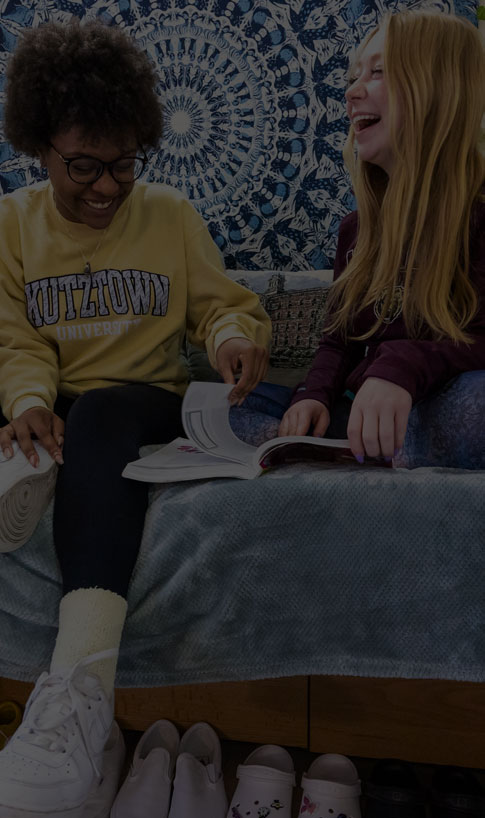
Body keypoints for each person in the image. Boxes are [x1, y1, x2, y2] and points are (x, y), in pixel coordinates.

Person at [0, 19, 271, 818]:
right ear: (37, 146)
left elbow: (224, 308)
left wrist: (231, 342)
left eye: (122, 164)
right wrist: (26, 405)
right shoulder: (12, 226)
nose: (108, 187)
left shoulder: (170, 214)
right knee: (55, 423)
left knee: (105, 416)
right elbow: (15, 338)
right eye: (82, 166)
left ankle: (81, 689)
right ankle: (29, 466)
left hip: (141, 405)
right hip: (60, 406)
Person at [274, 11, 485, 466]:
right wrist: (313, 395)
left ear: (439, 88)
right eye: (353, 75)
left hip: (439, 408)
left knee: (479, 401)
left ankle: (375, 453)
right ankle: (354, 447)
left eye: (378, 71)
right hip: (360, 410)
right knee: (242, 409)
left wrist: (402, 365)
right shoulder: (355, 231)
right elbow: (338, 341)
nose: (350, 92)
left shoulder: (479, 218)